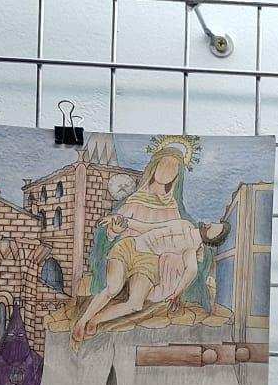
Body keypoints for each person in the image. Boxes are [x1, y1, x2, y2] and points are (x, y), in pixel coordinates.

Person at [74, 134, 225, 342]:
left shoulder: (173, 209)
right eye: (164, 164)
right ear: (154, 166)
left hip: (149, 261)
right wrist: (114, 231)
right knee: (113, 288)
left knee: (136, 303)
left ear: (177, 176)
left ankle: (96, 319)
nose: (167, 171)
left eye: (173, 168)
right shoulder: (135, 199)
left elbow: (182, 251)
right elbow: (112, 233)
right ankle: (82, 322)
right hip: (127, 248)